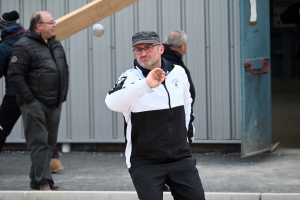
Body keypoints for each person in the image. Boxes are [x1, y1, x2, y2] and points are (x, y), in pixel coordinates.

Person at [105, 31, 205, 200]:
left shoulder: (178, 72)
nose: (143, 53)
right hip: (146, 162)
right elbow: (111, 102)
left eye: (148, 48)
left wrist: (187, 139)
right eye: (138, 49)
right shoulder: (130, 77)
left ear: (160, 49)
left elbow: (187, 106)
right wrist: (145, 84)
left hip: (180, 158)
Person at [8, 10, 69, 190]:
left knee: (49, 144)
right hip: (34, 104)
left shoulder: (56, 44)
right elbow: (14, 75)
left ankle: (36, 180)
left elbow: (64, 71)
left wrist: (61, 96)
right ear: (38, 26)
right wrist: (30, 100)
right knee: (39, 143)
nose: (54, 25)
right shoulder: (23, 45)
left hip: (54, 103)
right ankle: (44, 182)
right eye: (51, 23)